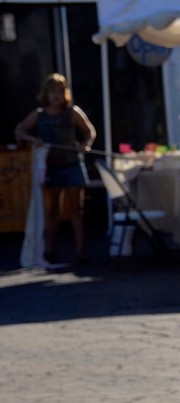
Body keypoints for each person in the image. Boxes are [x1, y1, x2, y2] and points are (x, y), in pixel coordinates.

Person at [15, 73, 96, 267]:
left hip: (72, 165)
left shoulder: (72, 112)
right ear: (47, 94)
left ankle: (80, 250)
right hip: (51, 168)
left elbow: (89, 131)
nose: (56, 96)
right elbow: (20, 131)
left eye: (60, 92)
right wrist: (35, 140)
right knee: (52, 211)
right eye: (53, 92)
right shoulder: (39, 115)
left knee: (76, 210)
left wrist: (85, 145)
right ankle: (49, 250)